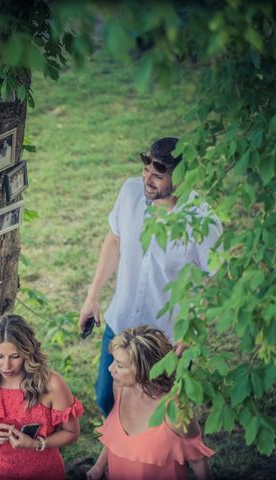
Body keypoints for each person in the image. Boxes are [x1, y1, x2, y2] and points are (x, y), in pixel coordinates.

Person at [78, 137, 222, 417]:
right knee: (107, 399)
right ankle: (117, 460)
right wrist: (92, 296)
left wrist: (191, 332)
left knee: (162, 414)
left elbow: (215, 282)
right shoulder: (131, 192)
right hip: (121, 323)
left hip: (166, 337)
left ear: (181, 178)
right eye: (146, 170)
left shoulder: (202, 220)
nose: (147, 179)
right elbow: (114, 240)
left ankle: (156, 461)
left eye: (158, 175)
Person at [0, 314, 83, 480]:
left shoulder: (52, 384)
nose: (6, 366)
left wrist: (36, 444)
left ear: (28, 353)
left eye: (15, 356)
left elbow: (72, 432)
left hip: (43, 472)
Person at [86, 325, 213, 480]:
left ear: (144, 370)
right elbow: (117, 436)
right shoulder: (120, 386)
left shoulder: (175, 409)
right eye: (114, 360)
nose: (110, 368)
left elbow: (197, 459)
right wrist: (99, 465)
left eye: (120, 365)